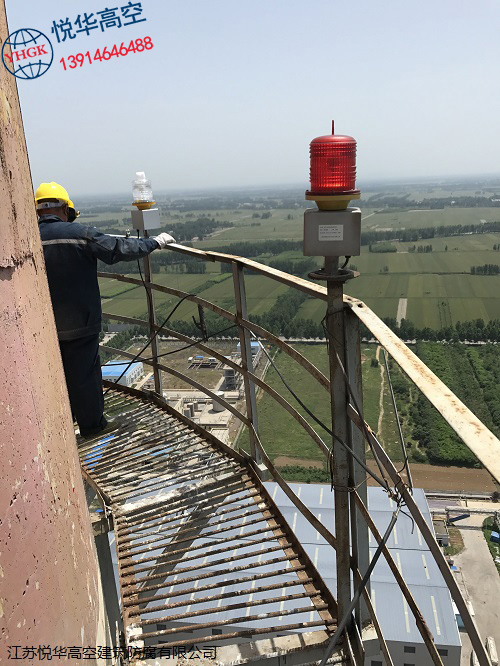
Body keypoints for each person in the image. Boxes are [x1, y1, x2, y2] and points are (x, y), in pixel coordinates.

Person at [35, 181, 175, 437]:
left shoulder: (27, 238)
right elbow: (119, 249)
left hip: (42, 325)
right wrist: (155, 243)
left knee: (54, 374)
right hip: (81, 322)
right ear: (66, 209)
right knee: (85, 376)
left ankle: (62, 423)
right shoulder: (80, 234)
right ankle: (93, 427)